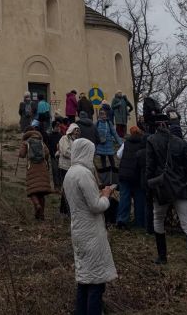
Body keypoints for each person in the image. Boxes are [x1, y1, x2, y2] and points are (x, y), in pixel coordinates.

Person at [63, 137, 118, 314]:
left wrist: (98, 194)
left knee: (85, 279)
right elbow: (95, 206)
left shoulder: (70, 173)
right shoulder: (84, 173)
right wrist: (106, 195)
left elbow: (81, 201)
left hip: (78, 229)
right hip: (91, 232)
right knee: (96, 282)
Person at [146, 119, 187, 271]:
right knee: (185, 221)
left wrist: (149, 185)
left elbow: (150, 166)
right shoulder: (181, 142)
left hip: (162, 185)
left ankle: (162, 256)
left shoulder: (152, 140)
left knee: (158, 218)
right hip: (179, 184)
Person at [18, 126, 53, 220]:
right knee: (41, 192)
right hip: (42, 168)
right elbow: (47, 153)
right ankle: (41, 215)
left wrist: (22, 147)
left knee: (32, 190)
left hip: (32, 168)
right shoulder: (41, 142)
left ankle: (37, 205)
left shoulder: (26, 142)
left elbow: (21, 154)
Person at [116, 126, 146, 229]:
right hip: (137, 174)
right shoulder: (143, 143)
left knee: (124, 197)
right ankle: (140, 222)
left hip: (124, 174)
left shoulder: (126, 143)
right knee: (139, 198)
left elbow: (118, 155)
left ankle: (122, 220)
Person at [58, 122, 80, 215]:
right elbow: (65, 151)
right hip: (65, 166)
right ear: (71, 130)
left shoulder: (77, 141)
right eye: (75, 129)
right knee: (66, 188)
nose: (77, 131)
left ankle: (70, 209)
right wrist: (77, 157)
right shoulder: (64, 138)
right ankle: (63, 209)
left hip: (73, 167)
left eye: (78, 130)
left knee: (72, 188)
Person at [95, 108, 122, 184]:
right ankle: (105, 174)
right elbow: (95, 133)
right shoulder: (97, 123)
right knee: (103, 159)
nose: (103, 116)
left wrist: (120, 142)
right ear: (99, 115)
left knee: (111, 158)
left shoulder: (109, 123)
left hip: (109, 144)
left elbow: (114, 133)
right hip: (101, 145)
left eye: (104, 114)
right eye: (102, 114)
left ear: (106, 115)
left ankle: (114, 173)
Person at [47, 119, 63, 191]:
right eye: (56, 126)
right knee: (55, 170)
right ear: (53, 127)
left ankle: (60, 185)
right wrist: (52, 153)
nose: (58, 128)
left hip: (60, 156)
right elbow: (49, 146)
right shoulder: (50, 136)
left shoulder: (61, 136)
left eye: (58, 126)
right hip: (53, 156)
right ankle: (56, 186)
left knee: (60, 171)